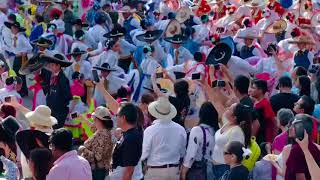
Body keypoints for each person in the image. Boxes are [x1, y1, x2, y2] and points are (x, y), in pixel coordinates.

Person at [140, 97, 187, 180]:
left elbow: (144, 154)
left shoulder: (150, 130)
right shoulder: (180, 129)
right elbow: (182, 153)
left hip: (155, 171)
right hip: (173, 170)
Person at [181, 102, 219, 180]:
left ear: (201, 114)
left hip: (198, 170)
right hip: (212, 171)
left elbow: (191, 154)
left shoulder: (197, 130)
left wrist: (184, 171)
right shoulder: (216, 131)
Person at [212, 103, 249, 179]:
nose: (227, 108)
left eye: (230, 109)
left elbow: (237, 153)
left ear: (234, 117)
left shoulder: (237, 131)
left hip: (225, 167)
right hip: (216, 165)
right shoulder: (227, 123)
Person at [78, 106, 114, 180]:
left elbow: (97, 157)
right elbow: (94, 128)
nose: (93, 121)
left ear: (99, 120)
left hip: (96, 171)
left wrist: (83, 149)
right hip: (99, 170)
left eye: (94, 119)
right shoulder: (104, 130)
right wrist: (84, 120)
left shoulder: (102, 135)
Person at [109, 103, 143, 180]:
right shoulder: (128, 134)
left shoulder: (131, 138)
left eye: (117, 115)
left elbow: (129, 171)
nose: (115, 117)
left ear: (123, 118)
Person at [40, 53, 72, 128]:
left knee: (56, 131)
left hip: (59, 112)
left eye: (53, 65)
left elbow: (68, 95)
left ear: (58, 66)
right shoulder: (52, 76)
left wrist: (59, 102)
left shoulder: (63, 79)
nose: (51, 67)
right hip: (51, 109)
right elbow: (48, 91)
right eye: (51, 65)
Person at [285, 114, 320, 180]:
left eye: (293, 126)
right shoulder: (314, 146)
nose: (289, 128)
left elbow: (300, 177)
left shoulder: (296, 150)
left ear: (301, 129)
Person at [250, 79, 276, 143]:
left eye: (253, 88)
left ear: (260, 90)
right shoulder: (256, 101)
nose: (251, 90)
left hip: (263, 139)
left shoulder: (265, 103)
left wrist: (271, 140)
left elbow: (274, 121)